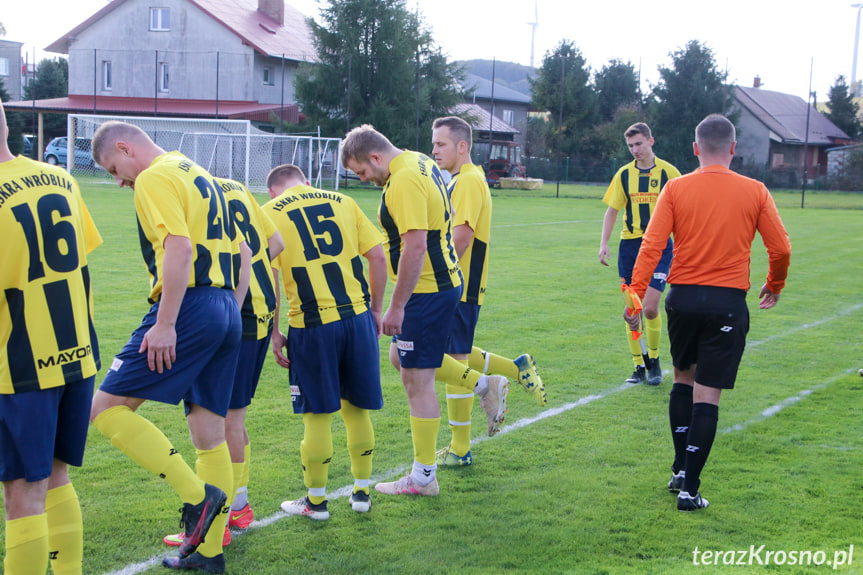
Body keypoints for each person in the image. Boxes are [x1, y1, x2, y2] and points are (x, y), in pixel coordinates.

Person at [89, 121, 250, 573]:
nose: (119, 180)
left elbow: (178, 249)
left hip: (190, 306)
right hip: (223, 305)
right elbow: (242, 251)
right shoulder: (199, 171)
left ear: (124, 147)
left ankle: (198, 498)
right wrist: (229, 309)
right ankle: (210, 552)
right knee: (208, 435)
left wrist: (166, 323)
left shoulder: (157, 175)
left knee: (105, 409)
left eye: (113, 168)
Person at [628, 114, 791, 511]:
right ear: (733, 149)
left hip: (682, 298)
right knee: (709, 393)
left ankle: (680, 469)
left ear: (696, 149)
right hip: (726, 302)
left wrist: (634, 296)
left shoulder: (676, 188)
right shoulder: (755, 191)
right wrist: (775, 284)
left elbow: (651, 245)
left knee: (683, 379)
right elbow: (781, 249)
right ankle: (689, 489)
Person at [341, 124, 508, 496]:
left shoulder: (401, 181)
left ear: (375, 156)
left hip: (426, 290)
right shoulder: (416, 160)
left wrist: (396, 306)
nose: (365, 179)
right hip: (440, 283)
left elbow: (415, 247)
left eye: (363, 172)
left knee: (417, 380)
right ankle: (484, 384)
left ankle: (423, 478)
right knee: (401, 358)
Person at [1, 98, 101, 575]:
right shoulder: (58, 176)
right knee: (56, 477)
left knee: (22, 489)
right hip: (77, 353)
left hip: (19, 364)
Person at [162, 177, 283, 548]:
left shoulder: (190, 192)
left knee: (219, 420)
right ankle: (238, 507)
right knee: (234, 418)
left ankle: (222, 519)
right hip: (259, 310)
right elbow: (274, 243)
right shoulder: (236, 188)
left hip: (232, 310)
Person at [263, 164, 386, 518]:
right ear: (307, 183)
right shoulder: (344, 200)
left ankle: (316, 501)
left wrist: (273, 331)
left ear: (274, 192)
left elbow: (269, 276)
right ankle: (361, 494)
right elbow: (377, 256)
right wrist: (375, 310)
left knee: (316, 416)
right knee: (356, 409)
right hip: (357, 317)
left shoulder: (268, 212)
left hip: (312, 323)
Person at [429, 116, 546, 468]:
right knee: (453, 355)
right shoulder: (466, 178)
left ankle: (461, 448)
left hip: (457, 285)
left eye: (441, 144)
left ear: (461, 146)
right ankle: (515, 368)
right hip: (462, 284)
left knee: (446, 361)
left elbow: (460, 238)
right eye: (433, 143)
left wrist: (438, 279)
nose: (434, 150)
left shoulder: (466, 181)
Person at [599, 122, 680, 385]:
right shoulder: (623, 175)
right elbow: (612, 210)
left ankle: (654, 361)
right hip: (630, 248)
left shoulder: (670, 173)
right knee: (632, 310)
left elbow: (683, 212)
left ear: (651, 142)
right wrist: (604, 244)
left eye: (639, 144)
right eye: (631, 145)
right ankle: (639, 366)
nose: (635, 150)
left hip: (660, 247)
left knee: (651, 308)